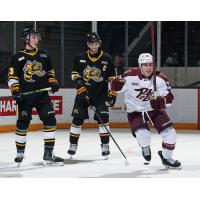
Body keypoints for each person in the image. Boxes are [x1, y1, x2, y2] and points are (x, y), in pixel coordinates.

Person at [111, 53, 181, 169]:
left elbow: (169, 99)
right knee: (143, 137)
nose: (148, 67)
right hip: (135, 111)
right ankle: (145, 147)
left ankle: (166, 158)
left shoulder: (160, 78)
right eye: (145, 65)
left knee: (171, 135)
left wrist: (160, 101)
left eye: (150, 64)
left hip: (154, 110)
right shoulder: (130, 75)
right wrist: (114, 85)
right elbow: (114, 87)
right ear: (140, 66)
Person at [7, 26, 64, 166]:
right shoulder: (17, 57)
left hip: (42, 96)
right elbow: (12, 77)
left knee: (50, 121)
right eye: (33, 37)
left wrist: (53, 82)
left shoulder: (44, 54)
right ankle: (20, 153)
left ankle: (48, 153)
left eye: (37, 37)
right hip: (25, 98)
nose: (37, 39)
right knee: (22, 124)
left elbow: (50, 72)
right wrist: (15, 90)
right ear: (26, 39)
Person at [68, 32, 117, 159]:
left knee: (103, 120)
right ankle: (73, 145)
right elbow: (74, 74)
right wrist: (79, 85)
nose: (94, 46)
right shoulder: (80, 57)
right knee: (77, 120)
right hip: (82, 94)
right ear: (87, 44)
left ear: (99, 43)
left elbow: (113, 79)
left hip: (101, 95)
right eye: (91, 44)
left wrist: (112, 94)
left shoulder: (107, 58)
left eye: (96, 43)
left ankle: (105, 145)